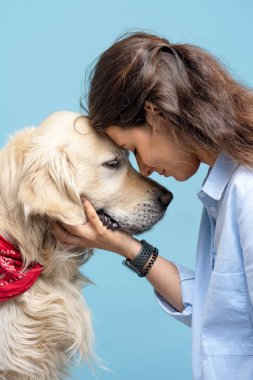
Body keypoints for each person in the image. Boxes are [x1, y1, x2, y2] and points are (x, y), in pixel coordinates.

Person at [51, 32, 253, 380]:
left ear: (156, 115)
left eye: (133, 148)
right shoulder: (229, 187)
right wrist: (121, 245)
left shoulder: (246, 190)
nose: (143, 170)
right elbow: (216, 310)